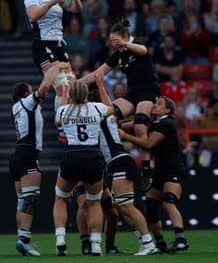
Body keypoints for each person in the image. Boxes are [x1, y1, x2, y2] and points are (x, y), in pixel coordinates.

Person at [80, 18, 160, 194]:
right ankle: (112, 157)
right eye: (112, 41)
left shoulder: (137, 46)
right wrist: (76, 84)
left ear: (125, 37)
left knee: (140, 123)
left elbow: (144, 50)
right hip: (132, 94)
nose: (114, 45)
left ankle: (146, 170)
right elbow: (97, 73)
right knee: (107, 115)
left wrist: (125, 43)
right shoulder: (117, 54)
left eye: (117, 41)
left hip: (148, 90)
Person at [94, 72, 160, 255]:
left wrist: (100, 86)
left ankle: (148, 244)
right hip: (119, 162)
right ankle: (145, 242)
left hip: (119, 162)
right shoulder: (107, 116)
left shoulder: (100, 114)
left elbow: (108, 107)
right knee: (123, 207)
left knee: (126, 207)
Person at [10, 62, 68, 256]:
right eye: (30, 90)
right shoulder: (27, 103)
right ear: (26, 93)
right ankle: (24, 241)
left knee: (22, 201)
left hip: (18, 156)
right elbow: (44, 87)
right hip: (28, 156)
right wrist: (56, 67)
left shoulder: (15, 107)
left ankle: (22, 239)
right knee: (30, 199)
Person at [118, 96, 189, 253]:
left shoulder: (166, 124)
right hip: (160, 172)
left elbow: (149, 144)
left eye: (159, 104)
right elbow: (132, 125)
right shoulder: (154, 123)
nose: (154, 106)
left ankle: (180, 239)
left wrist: (126, 136)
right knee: (150, 208)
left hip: (173, 170)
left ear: (167, 110)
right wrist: (117, 123)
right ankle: (160, 242)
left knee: (169, 202)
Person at [53, 80, 111, 256]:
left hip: (72, 155)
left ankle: (60, 239)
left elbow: (57, 121)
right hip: (93, 156)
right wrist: (101, 86)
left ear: (71, 95)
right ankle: (95, 244)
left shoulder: (64, 110)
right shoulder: (97, 108)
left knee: (61, 198)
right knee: (94, 202)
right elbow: (112, 108)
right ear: (87, 94)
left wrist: (64, 94)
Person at [24, 0, 82, 111]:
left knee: (73, 87)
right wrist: (51, 2)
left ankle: (70, 121)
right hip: (43, 43)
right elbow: (33, 16)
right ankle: (61, 124)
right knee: (62, 87)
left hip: (58, 44)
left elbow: (76, 9)